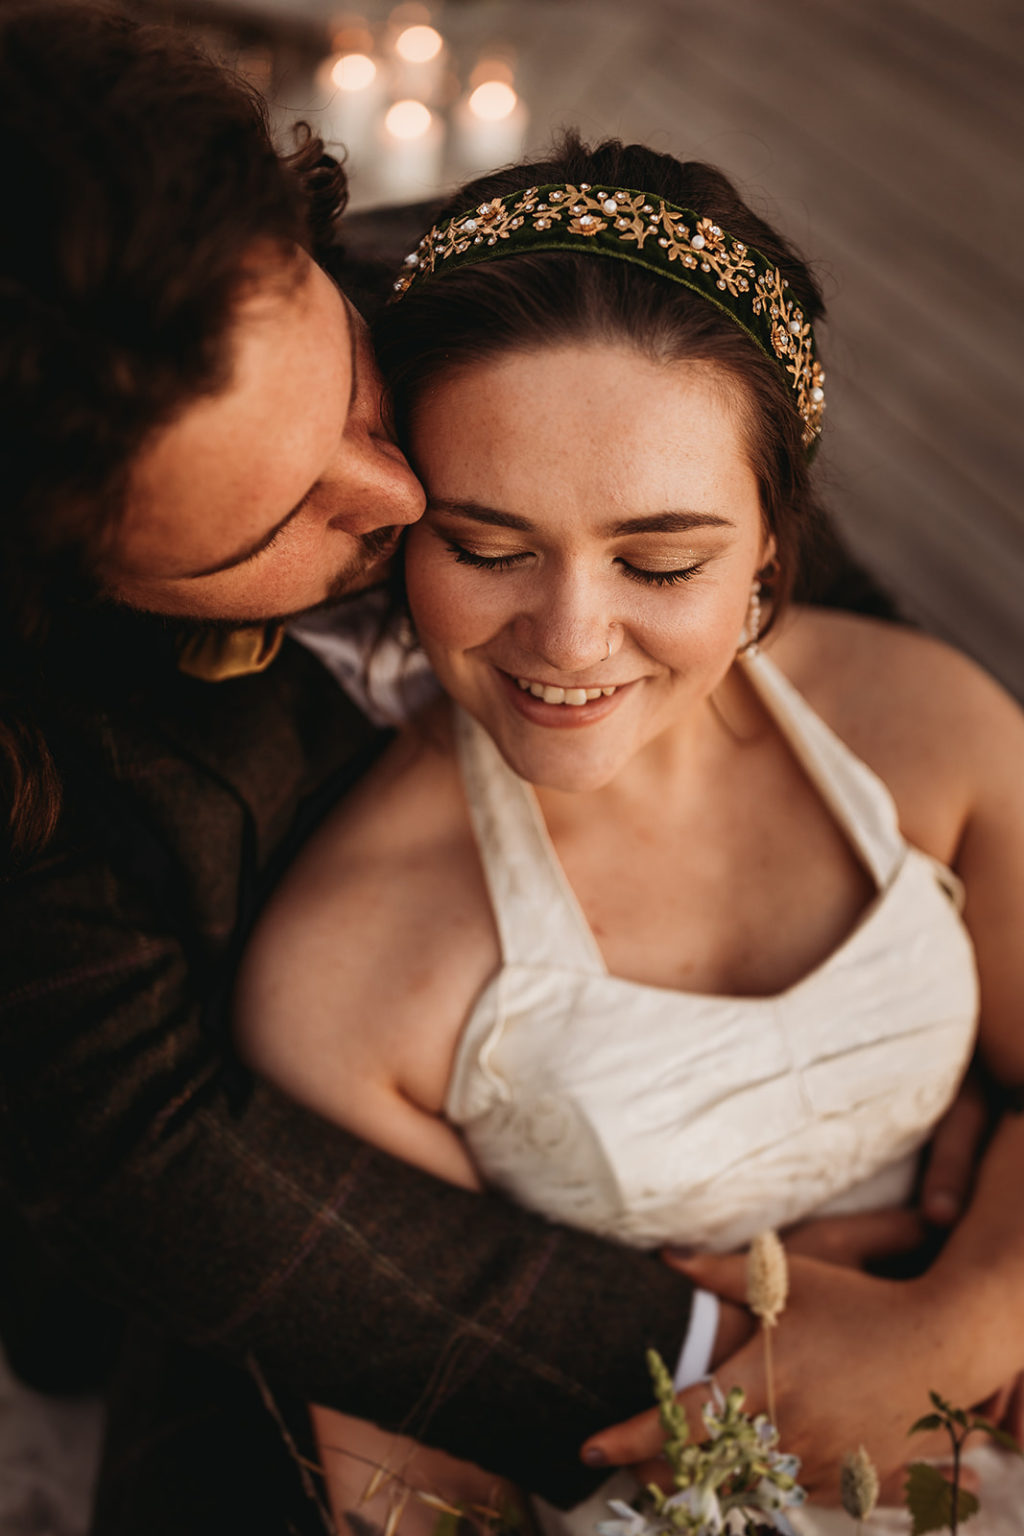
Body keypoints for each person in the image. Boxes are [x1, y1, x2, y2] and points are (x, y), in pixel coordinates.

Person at [0, 6, 732, 1531]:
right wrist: (729, 1362)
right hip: (294, 1234)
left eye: (344, 388)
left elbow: (813, 601)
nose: (400, 495)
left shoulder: (502, 294)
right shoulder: (47, 785)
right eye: (276, 531)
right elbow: (158, 1157)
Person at [234, 135, 1024, 1532]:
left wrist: (963, 1319)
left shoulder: (932, 728)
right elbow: (435, 1459)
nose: (570, 642)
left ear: (774, 545)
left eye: (662, 562)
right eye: (485, 547)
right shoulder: (347, 972)